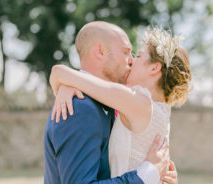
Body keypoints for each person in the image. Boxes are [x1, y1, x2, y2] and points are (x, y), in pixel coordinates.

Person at [44, 21, 179, 184]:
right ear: (100, 51)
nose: (130, 60)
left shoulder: (112, 107)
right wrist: (147, 175)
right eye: (126, 52)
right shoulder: (80, 107)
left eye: (135, 55)